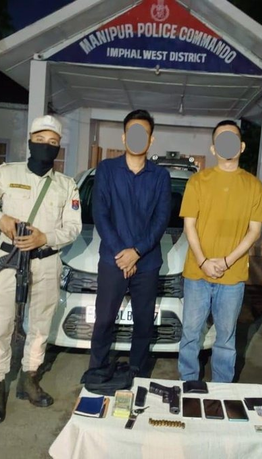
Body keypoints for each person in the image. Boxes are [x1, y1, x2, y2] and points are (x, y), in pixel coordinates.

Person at [0, 115, 82, 424]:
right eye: (40, 141)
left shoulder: (66, 185)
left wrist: (46, 238)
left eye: (53, 143)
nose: (46, 146)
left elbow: (73, 227)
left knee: (40, 325)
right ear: (30, 141)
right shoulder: (8, 173)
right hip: (10, 261)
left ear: (59, 147)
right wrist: (0, 219)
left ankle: (29, 378)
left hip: (46, 261)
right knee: (2, 324)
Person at [178, 120, 262, 383]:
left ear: (241, 146)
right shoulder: (198, 181)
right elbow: (189, 225)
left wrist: (227, 261)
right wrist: (203, 261)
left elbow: (254, 231)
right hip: (197, 273)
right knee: (191, 333)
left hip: (233, 276)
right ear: (213, 148)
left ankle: (222, 388)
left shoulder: (254, 186)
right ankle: (188, 382)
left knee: (226, 338)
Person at [87, 109, 171, 378]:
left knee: (144, 322)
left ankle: (137, 371)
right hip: (113, 260)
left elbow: (161, 219)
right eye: (132, 133)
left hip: (147, 263)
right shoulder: (107, 170)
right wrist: (122, 253)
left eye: (142, 133)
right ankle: (97, 370)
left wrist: (136, 252)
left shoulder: (160, 176)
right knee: (104, 319)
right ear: (124, 137)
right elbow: (100, 213)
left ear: (151, 139)